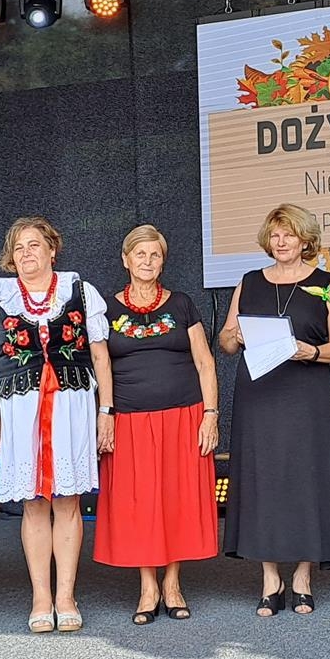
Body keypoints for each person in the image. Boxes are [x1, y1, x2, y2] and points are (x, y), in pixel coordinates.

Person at [0, 217, 115, 633]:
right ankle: (41, 597)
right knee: (33, 503)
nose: (26, 253)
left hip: (71, 406)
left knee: (67, 501)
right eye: (18, 247)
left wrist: (106, 411)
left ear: (52, 250)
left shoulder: (79, 291)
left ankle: (66, 596)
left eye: (34, 245)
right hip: (19, 410)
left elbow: (100, 357)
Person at [218, 203, 330, 616]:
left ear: (305, 240)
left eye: (289, 235)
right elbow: (225, 342)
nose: (281, 242)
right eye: (275, 235)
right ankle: (270, 578)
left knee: (304, 480)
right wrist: (235, 335)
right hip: (258, 395)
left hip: (305, 395)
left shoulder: (326, 284)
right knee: (263, 481)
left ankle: (302, 577)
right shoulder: (249, 282)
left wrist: (310, 351)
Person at [95, 225, 220, 624]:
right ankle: (148, 587)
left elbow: (205, 363)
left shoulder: (182, 304)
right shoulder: (105, 310)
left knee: (175, 500)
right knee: (139, 504)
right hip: (129, 421)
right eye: (140, 254)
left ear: (163, 262)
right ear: (125, 259)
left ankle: (172, 584)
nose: (147, 261)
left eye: (155, 255)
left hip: (183, 417)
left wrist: (211, 415)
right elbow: (100, 365)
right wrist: (105, 414)